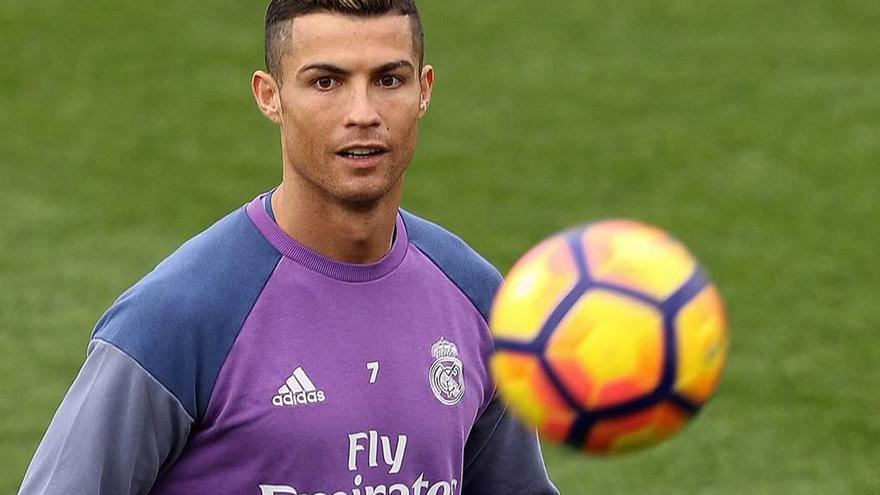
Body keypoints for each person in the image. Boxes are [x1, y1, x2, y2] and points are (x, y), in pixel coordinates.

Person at [19, 1, 559, 494]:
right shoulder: (176, 320)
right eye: (326, 82)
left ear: (424, 90)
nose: (363, 112)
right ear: (270, 96)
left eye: (388, 79)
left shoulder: (479, 300)